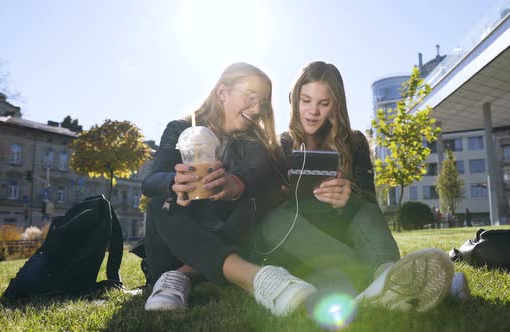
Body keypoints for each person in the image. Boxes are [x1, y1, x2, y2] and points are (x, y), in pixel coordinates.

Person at [259, 61, 456, 312]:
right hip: (302, 242)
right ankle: (385, 283)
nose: (312, 111)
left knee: (367, 211)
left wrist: (348, 197)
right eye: (305, 100)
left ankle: (385, 275)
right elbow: (268, 206)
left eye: (323, 103)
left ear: (336, 105)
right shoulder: (280, 145)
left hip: (346, 233)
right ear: (294, 99)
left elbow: (370, 204)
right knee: (274, 222)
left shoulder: (355, 142)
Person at [142, 62, 316, 316]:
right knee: (162, 201)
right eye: (250, 97)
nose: (257, 109)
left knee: (264, 191)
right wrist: (172, 182)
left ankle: (182, 276)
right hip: (177, 242)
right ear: (223, 92)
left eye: (263, 103)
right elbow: (151, 181)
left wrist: (237, 183)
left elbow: (257, 167)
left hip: (224, 234)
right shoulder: (180, 128)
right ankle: (256, 278)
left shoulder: (253, 140)